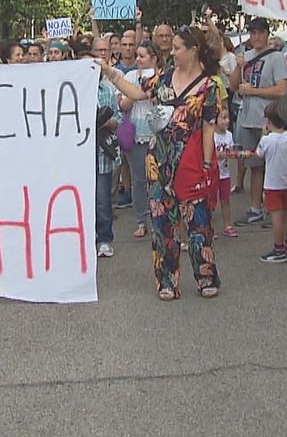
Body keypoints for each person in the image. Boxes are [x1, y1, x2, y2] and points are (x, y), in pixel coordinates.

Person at [103, 28, 225, 300]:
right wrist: (110, 73)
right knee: (161, 222)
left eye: (178, 47)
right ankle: (167, 280)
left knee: (198, 222)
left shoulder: (210, 84)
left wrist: (207, 164)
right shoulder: (164, 78)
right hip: (158, 159)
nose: (172, 52)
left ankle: (205, 276)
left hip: (191, 160)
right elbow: (135, 92)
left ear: (194, 49)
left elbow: (208, 127)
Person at [230, 17, 287, 228]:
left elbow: (282, 89)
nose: (256, 37)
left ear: (266, 33)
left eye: (259, 33)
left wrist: (253, 91)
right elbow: (234, 86)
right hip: (247, 118)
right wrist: (238, 67)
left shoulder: (276, 58)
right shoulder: (246, 56)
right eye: (252, 33)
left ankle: (277, 210)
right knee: (254, 165)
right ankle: (255, 207)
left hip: (268, 119)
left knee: (274, 167)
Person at [120, 41, 159, 238]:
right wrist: (137, 92)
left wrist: (151, 93)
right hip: (135, 132)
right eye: (137, 55)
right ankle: (141, 220)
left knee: (157, 179)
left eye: (142, 56)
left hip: (156, 132)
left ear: (154, 58)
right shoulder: (129, 77)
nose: (138, 59)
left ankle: (158, 218)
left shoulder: (161, 77)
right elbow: (123, 105)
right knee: (138, 180)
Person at [255, 103, 287, 263]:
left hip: (272, 184)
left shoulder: (267, 140)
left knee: (276, 217)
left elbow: (259, 154)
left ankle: (278, 247)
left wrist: (264, 134)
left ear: (267, 121)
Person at [93, 38, 122, 258]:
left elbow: (119, 117)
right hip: (77, 156)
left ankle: (104, 238)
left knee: (103, 200)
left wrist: (110, 122)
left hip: (102, 154)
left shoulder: (106, 91)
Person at [211, 106, 236, 237]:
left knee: (225, 200)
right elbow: (211, 154)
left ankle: (227, 225)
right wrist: (220, 154)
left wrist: (234, 154)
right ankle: (210, 227)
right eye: (223, 118)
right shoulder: (212, 136)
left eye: (228, 118)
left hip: (225, 173)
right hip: (213, 173)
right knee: (211, 202)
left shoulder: (229, 135)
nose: (226, 121)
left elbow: (231, 151)